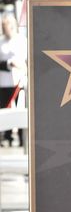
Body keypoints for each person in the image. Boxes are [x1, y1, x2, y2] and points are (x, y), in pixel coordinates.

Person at [0, 12, 27, 147]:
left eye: (10, 24)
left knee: (21, 108)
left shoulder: (22, 40)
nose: (8, 27)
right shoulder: (1, 41)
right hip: (4, 82)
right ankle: (6, 136)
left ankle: (23, 138)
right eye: (5, 25)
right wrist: (9, 64)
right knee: (5, 109)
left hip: (20, 81)